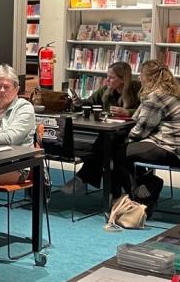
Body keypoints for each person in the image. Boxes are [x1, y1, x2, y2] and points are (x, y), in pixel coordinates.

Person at [114, 60, 180, 212]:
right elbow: (139, 117)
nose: (139, 77)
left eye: (142, 74)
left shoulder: (156, 97)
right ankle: (147, 185)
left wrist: (126, 137)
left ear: (149, 78)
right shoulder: (171, 93)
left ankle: (139, 198)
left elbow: (141, 129)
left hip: (171, 149)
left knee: (119, 153)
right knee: (127, 151)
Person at [59, 62, 142, 194]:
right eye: (106, 76)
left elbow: (145, 110)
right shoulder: (106, 90)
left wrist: (128, 112)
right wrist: (78, 102)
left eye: (111, 77)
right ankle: (109, 191)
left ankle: (83, 177)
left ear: (122, 79)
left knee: (105, 144)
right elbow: (90, 102)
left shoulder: (137, 89)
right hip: (111, 132)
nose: (107, 80)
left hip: (133, 133)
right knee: (105, 143)